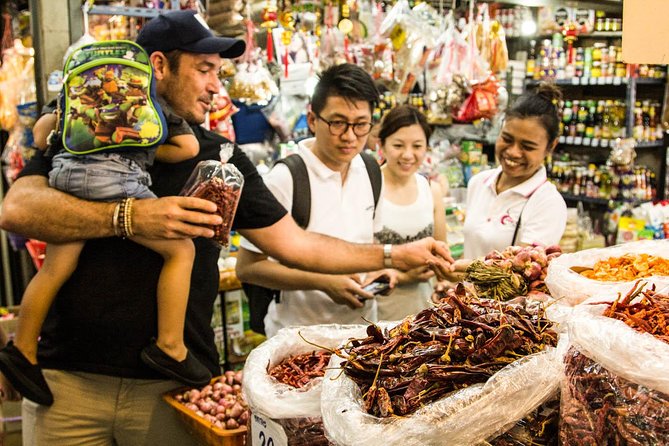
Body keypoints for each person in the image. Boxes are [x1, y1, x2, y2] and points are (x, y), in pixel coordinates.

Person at [0, 10, 453, 445]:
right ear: (159, 65)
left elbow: (293, 243)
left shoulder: (219, 157)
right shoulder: (87, 130)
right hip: (68, 384)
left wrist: (394, 255)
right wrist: (131, 216)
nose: (217, 87)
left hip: (171, 389)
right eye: (204, 69)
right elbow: (18, 209)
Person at [0, 73, 209, 407]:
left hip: (66, 179)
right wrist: (148, 144)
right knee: (181, 250)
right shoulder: (150, 99)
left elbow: (41, 137)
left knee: (55, 268)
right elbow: (189, 147)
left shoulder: (77, 93)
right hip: (118, 181)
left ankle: (22, 350)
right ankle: (170, 346)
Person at [236, 64, 412, 337]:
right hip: (299, 338)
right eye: (338, 123)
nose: (350, 136)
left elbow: (368, 246)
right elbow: (248, 268)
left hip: (361, 334)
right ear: (312, 119)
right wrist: (324, 283)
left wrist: (379, 273)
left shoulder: (370, 169)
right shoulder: (287, 178)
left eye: (361, 124)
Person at [461, 82, 567, 261]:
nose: (513, 152)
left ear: (551, 146)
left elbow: (524, 272)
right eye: (507, 139)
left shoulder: (548, 203)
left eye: (527, 146)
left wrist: (462, 272)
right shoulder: (478, 183)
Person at [373, 105, 447, 321]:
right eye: (398, 145)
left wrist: (443, 281)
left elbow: (442, 254)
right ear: (382, 145)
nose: (408, 155)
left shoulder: (431, 191)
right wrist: (405, 277)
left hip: (424, 317)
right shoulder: (368, 190)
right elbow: (350, 263)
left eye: (417, 146)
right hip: (375, 318)